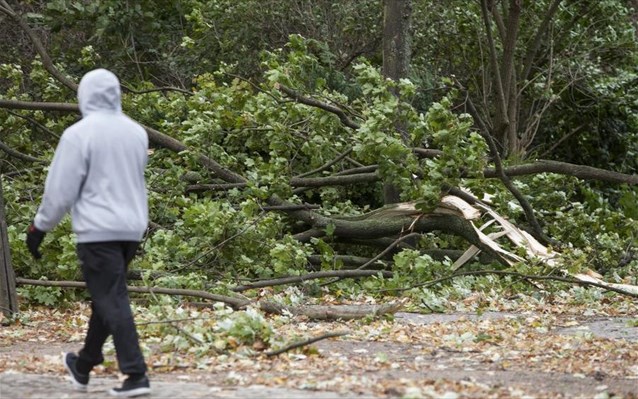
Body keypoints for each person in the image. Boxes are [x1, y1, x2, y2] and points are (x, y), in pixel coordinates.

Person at [25, 68, 151, 398]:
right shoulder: (136, 133)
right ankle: (83, 365)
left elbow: (60, 190)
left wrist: (40, 226)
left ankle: (136, 374)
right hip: (132, 229)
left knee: (112, 298)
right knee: (106, 298)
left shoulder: (79, 135)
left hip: (98, 231)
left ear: (84, 95)